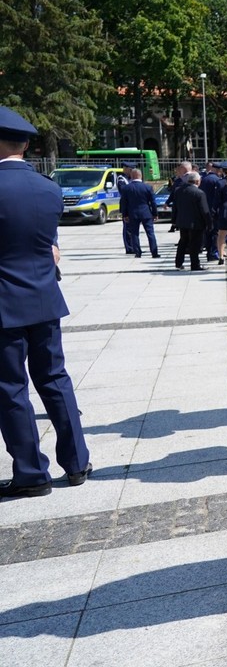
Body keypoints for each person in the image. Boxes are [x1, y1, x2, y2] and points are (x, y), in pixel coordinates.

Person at [0, 107, 91, 499]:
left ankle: (32, 472)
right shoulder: (48, 188)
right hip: (44, 298)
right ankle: (77, 462)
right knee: (55, 379)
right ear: (24, 145)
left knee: (10, 389)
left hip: (4, 303)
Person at [172, 171, 210, 271]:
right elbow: (204, 210)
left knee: (182, 242)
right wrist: (209, 223)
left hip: (182, 222)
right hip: (196, 223)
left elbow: (175, 207)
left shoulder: (179, 191)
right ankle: (195, 264)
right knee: (195, 244)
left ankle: (178, 263)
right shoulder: (199, 193)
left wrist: (174, 220)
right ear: (197, 181)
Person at [119, 167, 159, 258]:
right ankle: (154, 252)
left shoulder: (126, 188)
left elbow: (124, 203)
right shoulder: (148, 187)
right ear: (141, 176)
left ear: (132, 176)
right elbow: (153, 202)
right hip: (146, 213)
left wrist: (125, 215)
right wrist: (155, 214)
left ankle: (137, 253)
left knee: (134, 234)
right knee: (150, 233)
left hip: (132, 214)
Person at [200, 162, 226, 262]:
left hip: (205, 209)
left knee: (208, 232)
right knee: (215, 233)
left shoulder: (204, 179)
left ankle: (209, 252)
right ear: (219, 170)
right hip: (215, 211)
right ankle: (213, 252)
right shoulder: (218, 180)